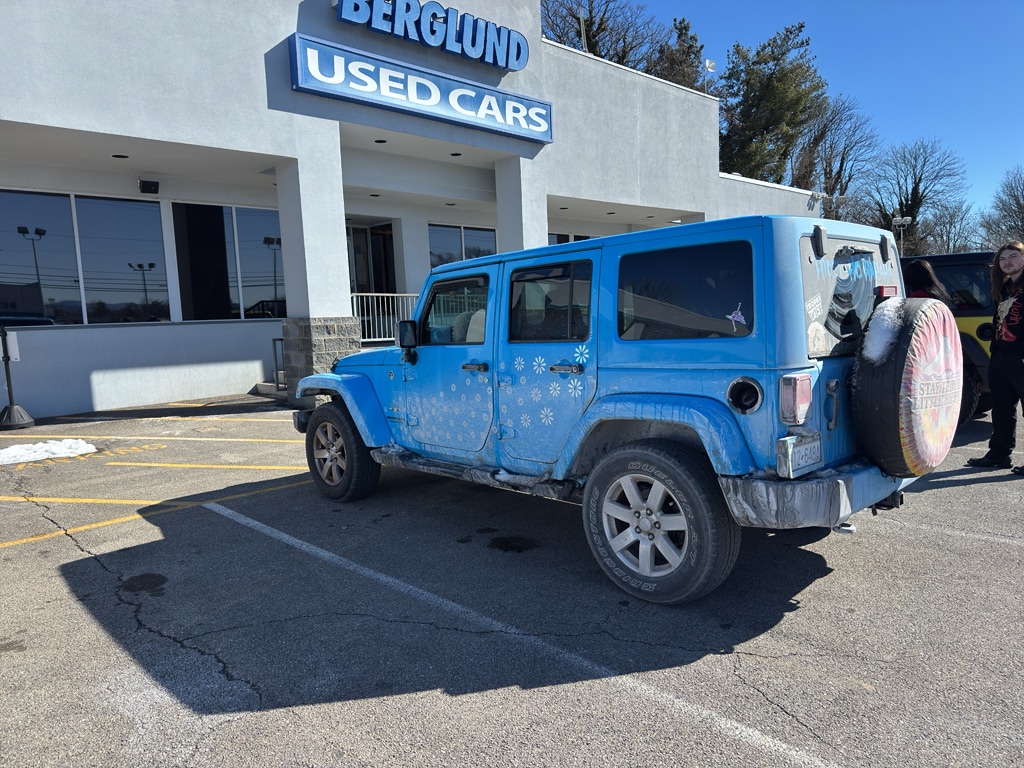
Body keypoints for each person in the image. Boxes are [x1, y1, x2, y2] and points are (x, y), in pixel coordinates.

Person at [967, 240, 1024, 472]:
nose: (1006, 262)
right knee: (1001, 409)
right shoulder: (1005, 288)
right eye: (1002, 259)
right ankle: (999, 455)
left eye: (1012, 256)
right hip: (1001, 356)